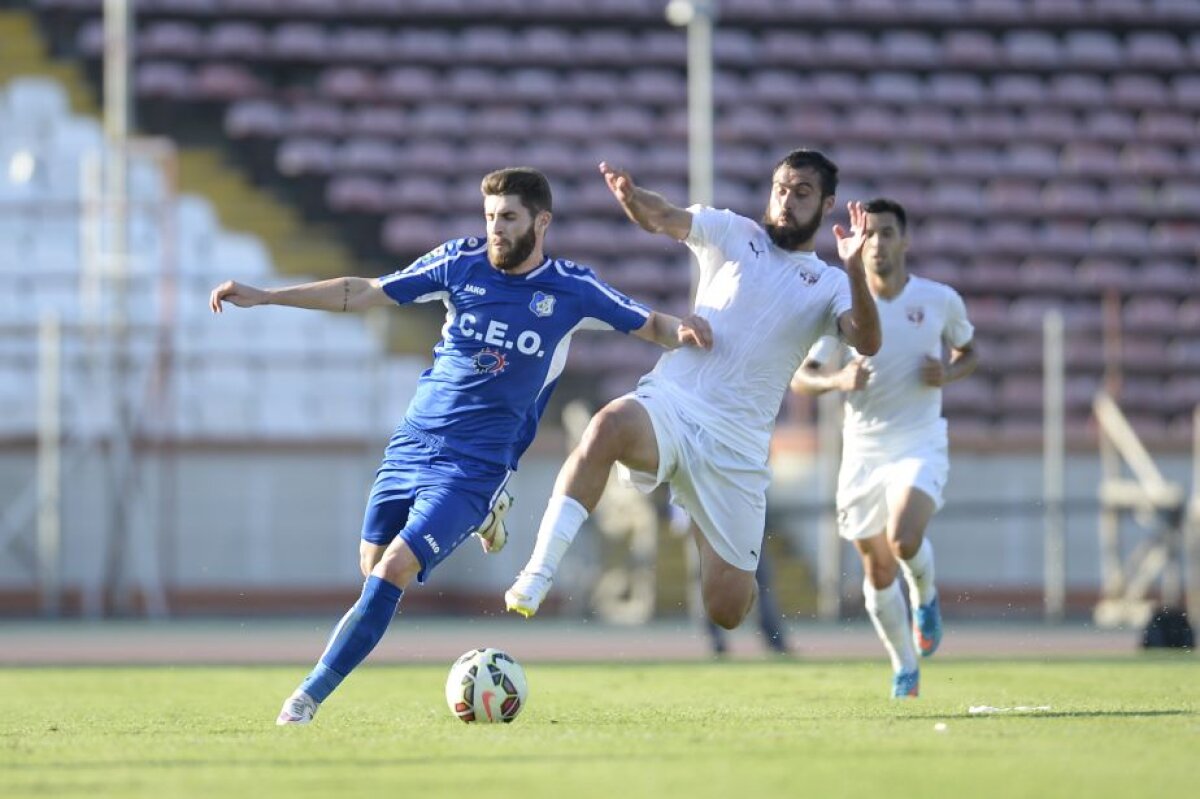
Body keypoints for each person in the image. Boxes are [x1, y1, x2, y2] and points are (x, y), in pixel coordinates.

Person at [209, 167, 713, 725]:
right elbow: (368, 291)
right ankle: (489, 515)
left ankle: (305, 698)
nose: (496, 229)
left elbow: (651, 325)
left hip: (474, 465)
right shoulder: (460, 263)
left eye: (509, 218)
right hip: (412, 443)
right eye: (491, 217)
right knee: (371, 564)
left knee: (393, 569)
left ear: (541, 222)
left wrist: (689, 331)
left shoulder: (572, 289)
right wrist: (266, 296)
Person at [505, 150, 881, 633]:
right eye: (781, 189)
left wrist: (854, 269)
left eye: (802, 193)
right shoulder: (732, 231)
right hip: (675, 405)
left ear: (827, 204)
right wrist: (632, 197)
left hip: (736, 449)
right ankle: (539, 571)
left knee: (726, 610)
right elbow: (662, 216)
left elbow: (867, 339)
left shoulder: (830, 283)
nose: (786, 201)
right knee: (607, 427)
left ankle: (699, 509)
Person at [790, 197, 976, 698]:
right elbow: (801, 378)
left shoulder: (939, 300)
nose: (876, 243)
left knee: (904, 540)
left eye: (886, 233)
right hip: (863, 453)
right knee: (875, 568)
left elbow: (968, 351)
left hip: (919, 441)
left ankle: (926, 595)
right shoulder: (843, 309)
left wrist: (951, 371)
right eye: (867, 235)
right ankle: (904, 665)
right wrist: (838, 379)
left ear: (904, 240)